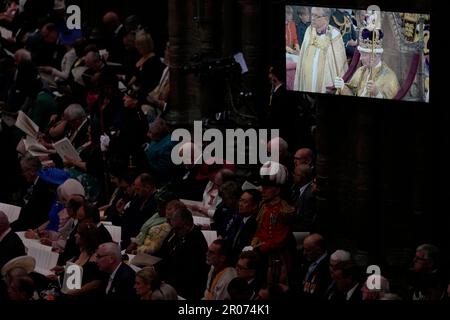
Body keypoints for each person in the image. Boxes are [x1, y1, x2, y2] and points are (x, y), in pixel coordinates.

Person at [333, 23, 400, 99]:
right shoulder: (361, 70)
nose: (360, 58)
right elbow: (352, 92)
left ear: (374, 56)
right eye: (361, 54)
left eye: (364, 55)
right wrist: (342, 86)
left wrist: (377, 94)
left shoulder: (390, 77)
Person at [293, 7, 348, 93]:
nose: (312, 18)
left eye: (316, 16)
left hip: (325, 80)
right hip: (307, 78)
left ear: (325, 18)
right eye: (312, 15)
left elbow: (339, 64)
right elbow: (303, 55)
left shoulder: (335, 35)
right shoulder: (309, 31)